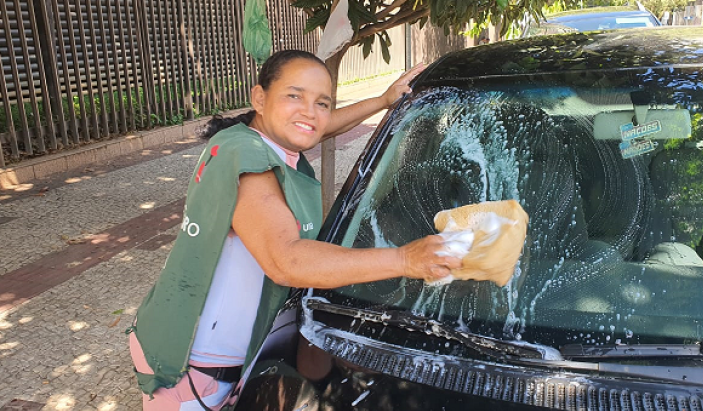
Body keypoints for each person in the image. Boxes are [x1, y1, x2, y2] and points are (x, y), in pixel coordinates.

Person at [128, 50, 462, 410]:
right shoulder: (247, 159)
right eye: (294, 96)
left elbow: (319, 126)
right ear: (259, 97)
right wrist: (404, 259)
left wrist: (381, 101)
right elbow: (285, 260)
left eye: (322, 102)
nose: (310, 112)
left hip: (212, 351)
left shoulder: (260, 138)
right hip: (196, 372)